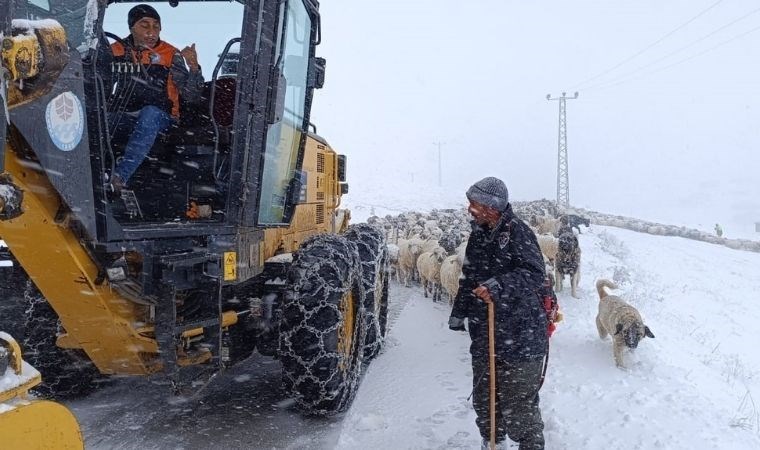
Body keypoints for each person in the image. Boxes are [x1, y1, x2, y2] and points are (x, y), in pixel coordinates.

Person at [448, 176, 548, 450]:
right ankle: (493, 442)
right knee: (485, 397)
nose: (470, 209)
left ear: (492, 207)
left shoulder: (518, 233)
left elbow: (535, 273)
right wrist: (459, 311)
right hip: (486, 332)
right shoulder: (478, 235)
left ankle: (530, 445)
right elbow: (469, 275)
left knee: (518, 403)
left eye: (475, 204)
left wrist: (499, 285)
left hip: (520, 334)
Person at [108, 4, 204, 192]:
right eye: (145, 25)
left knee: (150, 114)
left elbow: (191, 95)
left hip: (162, 117)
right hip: (125, 115)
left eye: (156, 26)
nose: (151, 32)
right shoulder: (115, 51)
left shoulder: (170, 54)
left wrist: (194, 69)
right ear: (131, 27)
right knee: (95, 118)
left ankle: (119, 178)